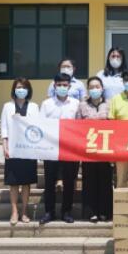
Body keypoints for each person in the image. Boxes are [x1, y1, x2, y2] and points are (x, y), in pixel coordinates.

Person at [39, 73, 81, 224]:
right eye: (59, 85)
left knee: (69, 181)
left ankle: (66, 212)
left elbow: (80, 126)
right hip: (51, 148)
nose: (62, 87)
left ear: (69, 86)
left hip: (70, 149)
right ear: (54, 85)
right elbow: (41, 125)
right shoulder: (46, 104)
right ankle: (49, 212)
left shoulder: (76, 103)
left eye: (65, 85)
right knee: (49, 181)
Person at [0, 78, 39, 226]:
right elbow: (4, 127)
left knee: (26, 183)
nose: (21, 90)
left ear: (28, 90)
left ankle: (24, 211)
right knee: (14, 182)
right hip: (13, 148)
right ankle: (14, 211)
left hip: (29, 149)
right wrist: (5, 146)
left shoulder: (34, 107)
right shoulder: (8, 106)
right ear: (14, 90)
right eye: (18, 87)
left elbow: (37, 127)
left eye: (24, 87)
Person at [77, 77, 112, 223]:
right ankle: (91, 212)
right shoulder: (82, 105)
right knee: (89, 181)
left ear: (102, 89)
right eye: (91, 87)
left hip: (105, 149)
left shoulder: (109, 104)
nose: (95, 89)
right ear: (88, 90)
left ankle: (105, 212)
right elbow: (76, 126)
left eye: (97, 86)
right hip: (88, 150)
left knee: (105, 181)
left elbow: (114, 124)